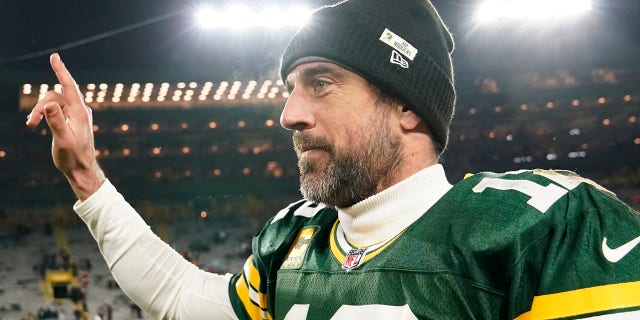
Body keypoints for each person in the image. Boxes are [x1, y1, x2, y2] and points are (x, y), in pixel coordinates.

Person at [25, 0, 640, 319]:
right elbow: (182, 299)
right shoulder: (294, 241)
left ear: (407, 106)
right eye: (290, 87)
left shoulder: (543, 228)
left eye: (320, 82)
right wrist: (85, 174)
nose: (289, 114)